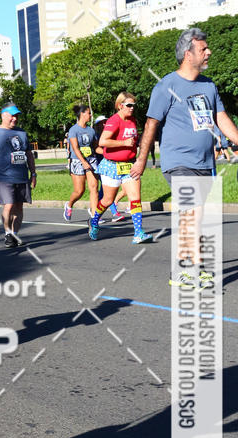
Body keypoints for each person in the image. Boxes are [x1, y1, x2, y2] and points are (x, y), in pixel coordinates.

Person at [134, 27, 238, 286]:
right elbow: (150, 124)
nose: (209, 52)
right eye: (203, 49)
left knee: (197, 216)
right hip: (178, 162)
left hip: (205, 162)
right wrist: (141, 159)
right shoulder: (167, 85)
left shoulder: (208, 85)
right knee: (192, 211)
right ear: (188, 54)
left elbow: (220, 118)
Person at [88, 92, 152, 244]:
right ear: (120, 105)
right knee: (108, 199)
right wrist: (123, 143)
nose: (132, 108)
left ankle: (138, 233)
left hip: (129, 165)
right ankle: (94, 220)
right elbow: (103, 141)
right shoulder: (113, 121)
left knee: (135, 198)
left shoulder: (133, 120)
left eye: (133, 106)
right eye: (129, 105)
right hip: (112, 166)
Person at [0, 104, 37, 247]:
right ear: (3, 115)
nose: (15, 119)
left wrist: (33, 174)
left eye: (17, 116)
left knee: (19, 207)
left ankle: (15, 234)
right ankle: (7, 234)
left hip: (21, 176)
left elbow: (29, 155)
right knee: (9, 205)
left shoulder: (22, 133)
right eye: (12, 115)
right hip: (4, 177)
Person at [63, 105, 99, 221]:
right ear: (82, 114)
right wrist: (83, 162)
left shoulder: (91, 130)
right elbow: (75, 148)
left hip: (91, 160)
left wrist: (110, 154)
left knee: (94, 187)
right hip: (78, 161)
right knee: (80, 191)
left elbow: (96, 148)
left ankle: (94, 216)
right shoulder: (74, 130)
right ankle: (69, 205)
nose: (90, 115)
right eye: (89, 113)